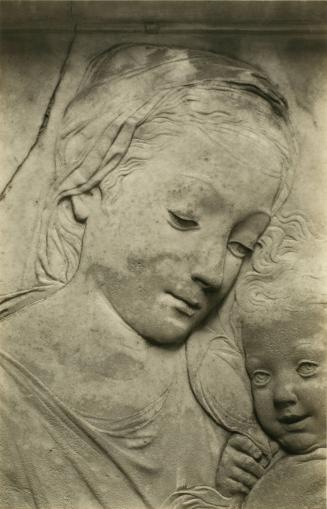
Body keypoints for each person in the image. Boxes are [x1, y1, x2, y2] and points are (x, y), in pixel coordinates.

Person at [0, 44, 294, 508]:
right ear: (90, 187)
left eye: (241, 245)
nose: (213, 272)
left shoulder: (235, 399)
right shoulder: (9, 390)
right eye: (185, 218)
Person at [162, 216, 326, 509]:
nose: (282, 395)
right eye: (261, 376)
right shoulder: (273, 462)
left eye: (306, 368)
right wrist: (231, 489)